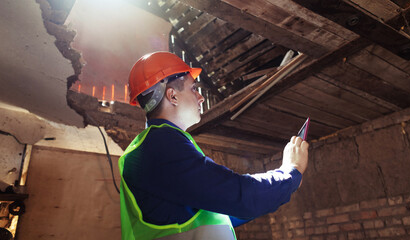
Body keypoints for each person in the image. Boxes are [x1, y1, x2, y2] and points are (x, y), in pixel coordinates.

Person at [118, 52, 309, 240]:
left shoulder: (156, 148)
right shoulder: (159, 146)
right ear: (172, 96)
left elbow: (220, 211)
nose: (201, 97)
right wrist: (290, 173)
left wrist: (280, 189)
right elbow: (237, 194)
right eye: (193, 88)